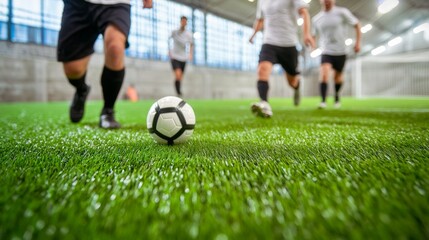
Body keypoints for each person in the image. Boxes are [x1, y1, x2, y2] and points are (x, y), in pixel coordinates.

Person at [57, 0, 153, 129]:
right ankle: (81, 89)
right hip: (78, 5)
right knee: (73, 70)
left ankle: (108, 111)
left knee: (115, 47)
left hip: (116, 4)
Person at [249, 0, 315, 118]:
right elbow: (260, 19)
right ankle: (264, 104)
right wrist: (253, 34)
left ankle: (297, 86)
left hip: (288, 44)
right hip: (269, 42)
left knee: (291, 81)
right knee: (262, 70)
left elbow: (304, 12)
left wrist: (306, 34)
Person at [312, 0, 361, 109]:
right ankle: (323, 101)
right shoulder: (316, 19)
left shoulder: (342, 12)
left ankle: (337, 97)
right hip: (326, 51)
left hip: (341, 51)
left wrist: (358, 42)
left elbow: (356, 24)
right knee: (324, 74)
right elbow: (313, 35)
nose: (327, 2)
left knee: (337, 78)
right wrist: (312, 43)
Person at [169, 16, 194, 97]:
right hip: (175, 57)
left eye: (185, 21)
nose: (183, 22)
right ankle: (178, 92)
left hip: (183, 58)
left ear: (186, 23)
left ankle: (178, 90)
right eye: (182, 21)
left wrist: (190, 54)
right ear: (180, 22)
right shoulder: (174, 32)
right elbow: (169, 39)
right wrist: (169, 50)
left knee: (180, 77)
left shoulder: (188, 34)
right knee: (178, 75)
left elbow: (191, 44)